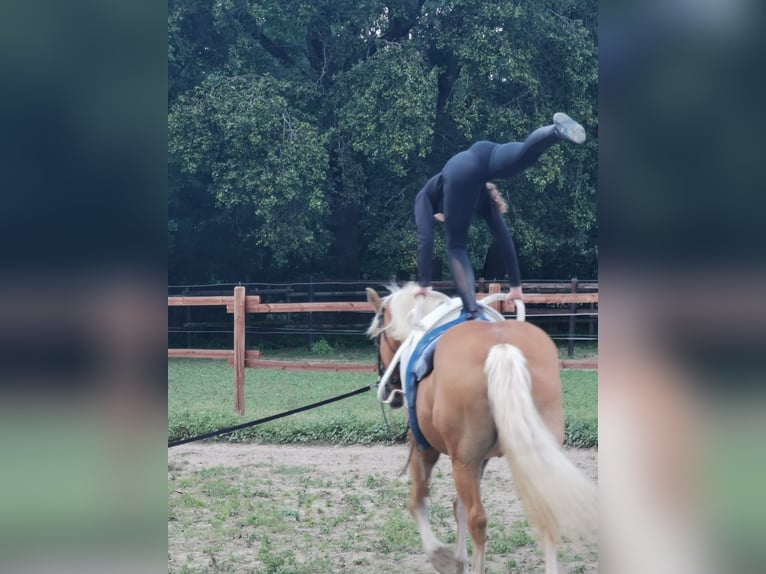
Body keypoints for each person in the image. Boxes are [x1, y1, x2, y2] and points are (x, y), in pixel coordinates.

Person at [413, 112, 586, 319]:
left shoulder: (424, 197)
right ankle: (555, 131)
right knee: (522, 155)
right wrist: (515, 285)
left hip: (459, 171)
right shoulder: (480, 195)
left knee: (455, 247)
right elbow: (504, 238)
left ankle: (471, 311)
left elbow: (425, 239)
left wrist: (423, 283)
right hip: (483, 151)